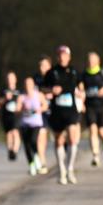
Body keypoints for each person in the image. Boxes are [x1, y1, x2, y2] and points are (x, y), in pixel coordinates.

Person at [43, 45, 83, 185]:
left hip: (71, 110)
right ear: (57, 57)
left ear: (69, 57)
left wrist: (81, 95)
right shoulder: (51, 72)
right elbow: (43, 88)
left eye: (65, 55)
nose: (62, 57)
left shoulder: (74, 72)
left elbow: (81, 86)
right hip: (57, 111)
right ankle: (61, 170)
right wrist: (51, 90)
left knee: (72, 138)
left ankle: (70, 167)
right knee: (59, 140)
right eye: (60, 55)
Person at [81, 51, 103, 166]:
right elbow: (80, 89)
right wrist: (81, 101)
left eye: (93, 60)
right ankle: (95, 155)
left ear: (98, 61)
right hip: (89, 106)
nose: (91, 62)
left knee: (101, 131)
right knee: (92, 130)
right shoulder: (83, 75)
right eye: (89, 60)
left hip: (101, 106)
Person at [18, 76, 48, 176]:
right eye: (26, 84)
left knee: (33, 140)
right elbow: (17, 110)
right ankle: (31, 165)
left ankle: (36, 157)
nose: (28, 86)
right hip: (25, 123)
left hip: (36, 123)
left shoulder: (38, 95)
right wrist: (22, 108)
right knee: (26, 145)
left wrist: (39, 109)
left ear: (33, 85)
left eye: (29, 84)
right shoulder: (22, 97)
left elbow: (45, 105)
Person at [0, 71, 21, 161]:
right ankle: (10, 150)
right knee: (8, 133)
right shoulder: (3, 91)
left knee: (15, 132)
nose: (10, 80)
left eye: (12, 78)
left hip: (16, 115)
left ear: (15, 79)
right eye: (8, 78)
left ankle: (15, 150)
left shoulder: (19, 91)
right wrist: (5, 99)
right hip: (6, 115)